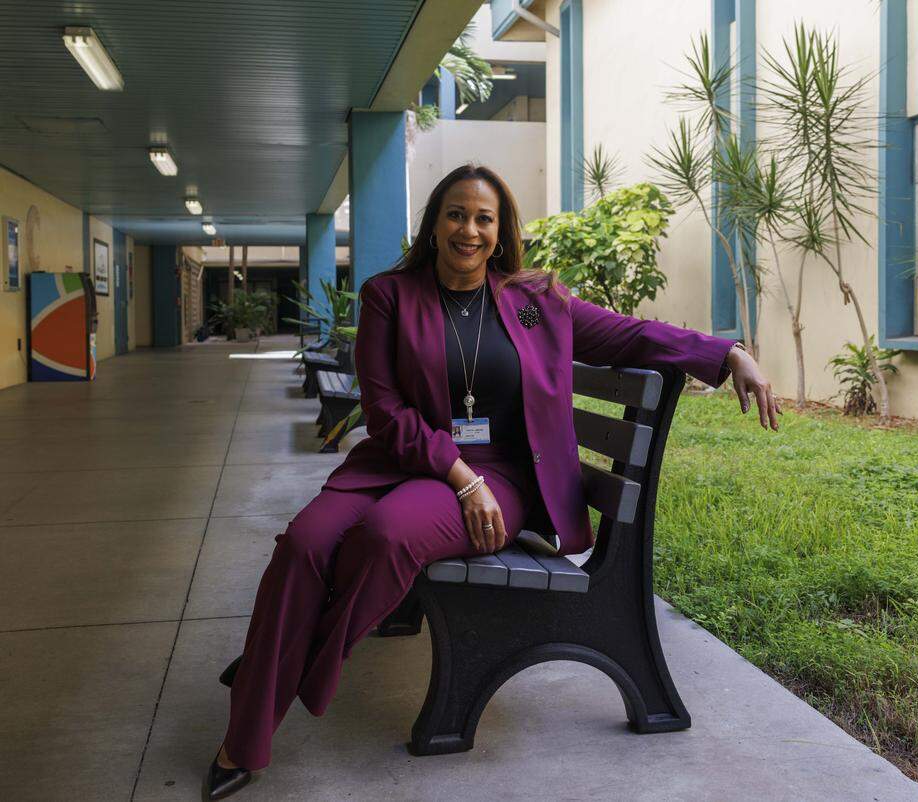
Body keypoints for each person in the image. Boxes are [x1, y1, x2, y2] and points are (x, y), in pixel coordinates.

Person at [205, 163, 780, 799]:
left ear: (501, 230)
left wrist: (728, 354)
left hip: (503, 476)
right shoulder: (388, 296)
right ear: (434, 224)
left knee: (390, 536)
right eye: (456, 214)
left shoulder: (538, 303)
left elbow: (633, 335)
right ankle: (272, 676)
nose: (469, 230)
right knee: (305, 543)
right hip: (405, 462)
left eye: (484, 218)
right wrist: (457, 474)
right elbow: (386, 412)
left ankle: (268, 693)